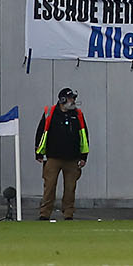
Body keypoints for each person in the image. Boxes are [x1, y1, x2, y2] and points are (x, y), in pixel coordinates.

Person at [35, 87, 90, 221]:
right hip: (53, 157)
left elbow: (84, 136)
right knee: (49, 186)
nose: (73, 101)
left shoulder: (78, 115)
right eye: (71, 98)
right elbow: (41, 132)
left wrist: (83, 157)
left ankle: (68, 213)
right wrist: (38, 152)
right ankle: (45, 213)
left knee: (70, 188)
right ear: (63, 99)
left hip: (72, 159)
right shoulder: (50, 113)